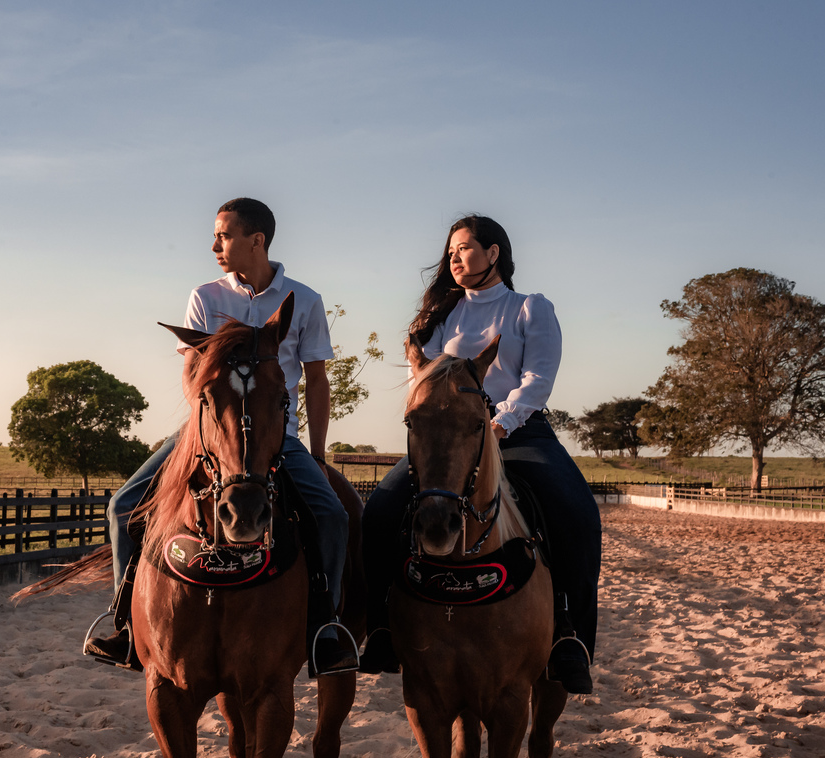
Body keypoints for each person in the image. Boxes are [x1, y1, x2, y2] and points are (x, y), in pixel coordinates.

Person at [86, 197, 357, 674]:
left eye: (224, 235)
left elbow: (316, 379)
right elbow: (193, 376)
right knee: (122, 505)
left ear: (257, 240)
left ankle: (326, 628)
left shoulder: (305, 300)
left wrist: (316, 454)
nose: (215, 245)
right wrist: (202, 432)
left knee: (334, 514)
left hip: (279, 435)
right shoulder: (205, 298)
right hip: (205, 432)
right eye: (215, 235)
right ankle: (125, 627)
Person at [358, 214, 601, 694]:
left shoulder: (529, 308)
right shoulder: (441, 319)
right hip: (450, 438)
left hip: (520, 433)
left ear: (494, 254)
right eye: (450, 252)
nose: (454, 258)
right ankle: (382, 625)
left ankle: (571, 637)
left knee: (575, 511)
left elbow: (538, 379)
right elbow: (420, 382)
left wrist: (501, 420)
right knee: (382, 507)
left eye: (464, 248)